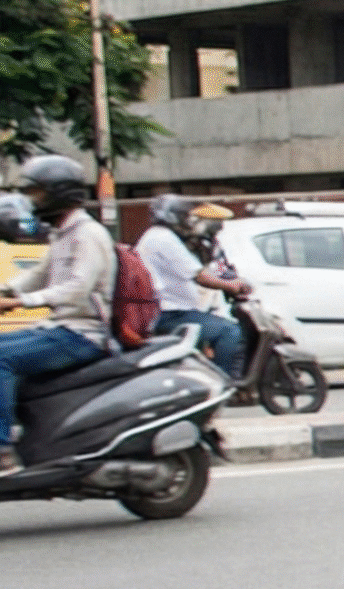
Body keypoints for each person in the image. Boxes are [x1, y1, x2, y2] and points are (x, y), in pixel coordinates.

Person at [0, 157, 116, 476]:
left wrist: (20, 302)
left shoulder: (88, 234)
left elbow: (78, 288)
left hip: (83, 334)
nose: (32, 201)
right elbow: (40, 272)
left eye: (37, 193)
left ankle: (3, 450)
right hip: (58, 327)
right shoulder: (63, 233)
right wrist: (6, 290)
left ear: (59, 193)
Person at [137, 194, 250, 379]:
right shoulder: (164, 239)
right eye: (184, 215)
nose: (188, 220)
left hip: (174, 310)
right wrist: (230, 286)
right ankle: (222, 381)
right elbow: (199, 275)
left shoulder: (160, 237)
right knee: (230, 331)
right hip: (171, 313)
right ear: (172, 216)